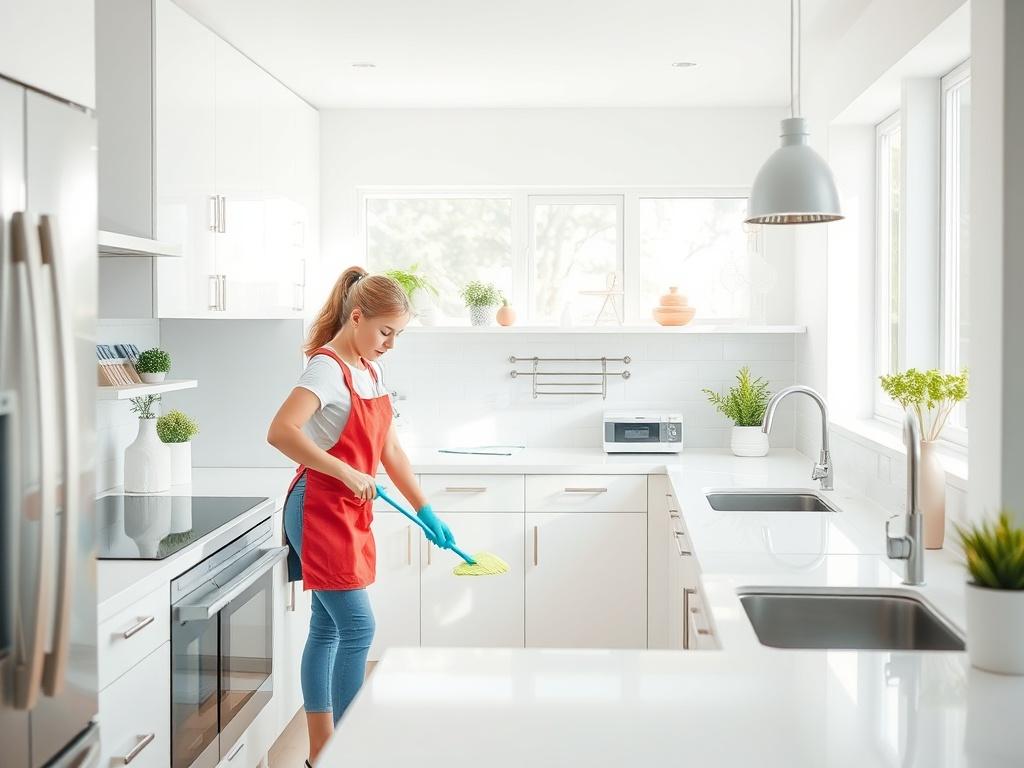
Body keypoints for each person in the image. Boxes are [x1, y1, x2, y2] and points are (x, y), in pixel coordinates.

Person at [267, 266, 455, 764]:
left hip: (346, 507)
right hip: (319, 507)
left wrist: (425, 509)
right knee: (358, 629)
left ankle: (322, 752)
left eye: (398, 335)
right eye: (386, 332)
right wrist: (345, 472)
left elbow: (389, 446)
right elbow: (282, 431)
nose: (390, 344)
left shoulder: (370, 369)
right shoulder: (326, 368)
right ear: (357, 318)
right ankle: (351, 750)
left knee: (327, 629)